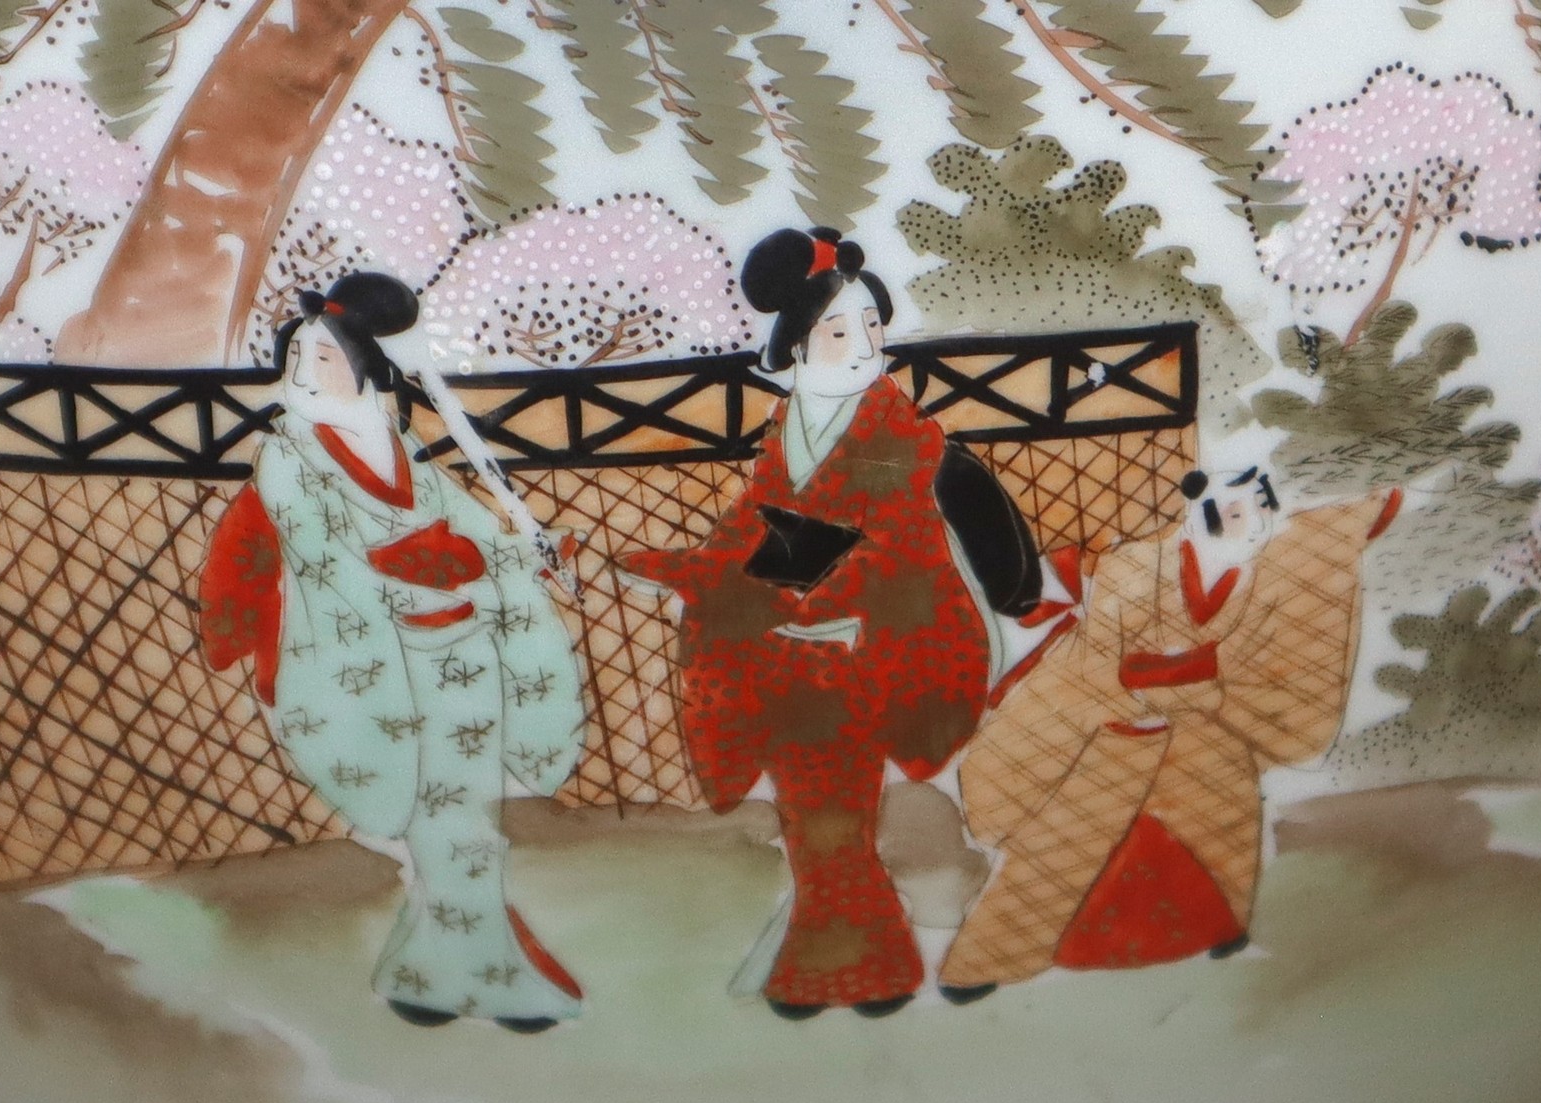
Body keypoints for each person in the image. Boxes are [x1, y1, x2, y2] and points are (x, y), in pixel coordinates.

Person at [620, 227, 999, 1018]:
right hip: (791, 654)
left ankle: (856, 967)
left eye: (873, 327)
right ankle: (862, 962)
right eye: (838, 331)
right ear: (796, 345)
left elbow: (891, 552)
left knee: (829, 817)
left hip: (872, 650)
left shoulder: (900, 438)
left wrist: (789, 602)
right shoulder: (786, 430)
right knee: (816, 819)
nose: (864, 348)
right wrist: (670, 566)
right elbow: (750, 532)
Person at [197, 271, 586, 1031]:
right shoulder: (288, 460)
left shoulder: (399, 445)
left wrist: (523, 558)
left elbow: (469, 528)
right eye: (298, 359)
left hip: (457, 653)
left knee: (456, 816)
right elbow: (323, 561)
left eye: (326, 358)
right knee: (450, 823)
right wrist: (422, 579)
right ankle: (489, 977)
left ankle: (425, 975)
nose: (308, 373)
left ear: (367, 367)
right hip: (379, 660)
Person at [938, 466, 1402, 997]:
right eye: (1236, 513)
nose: (1255, 525)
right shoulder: (1135, 566)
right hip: (1118, 729)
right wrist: (1182, 681)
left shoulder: (1277, 574)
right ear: (1197, 510)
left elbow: (1274, 668)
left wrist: (1182, 682)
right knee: (1079, 819)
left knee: (1216, 801)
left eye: (1263, 506)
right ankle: (993, 957)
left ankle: (1218, 927)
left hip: (1210, 739)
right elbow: (1099, 667)